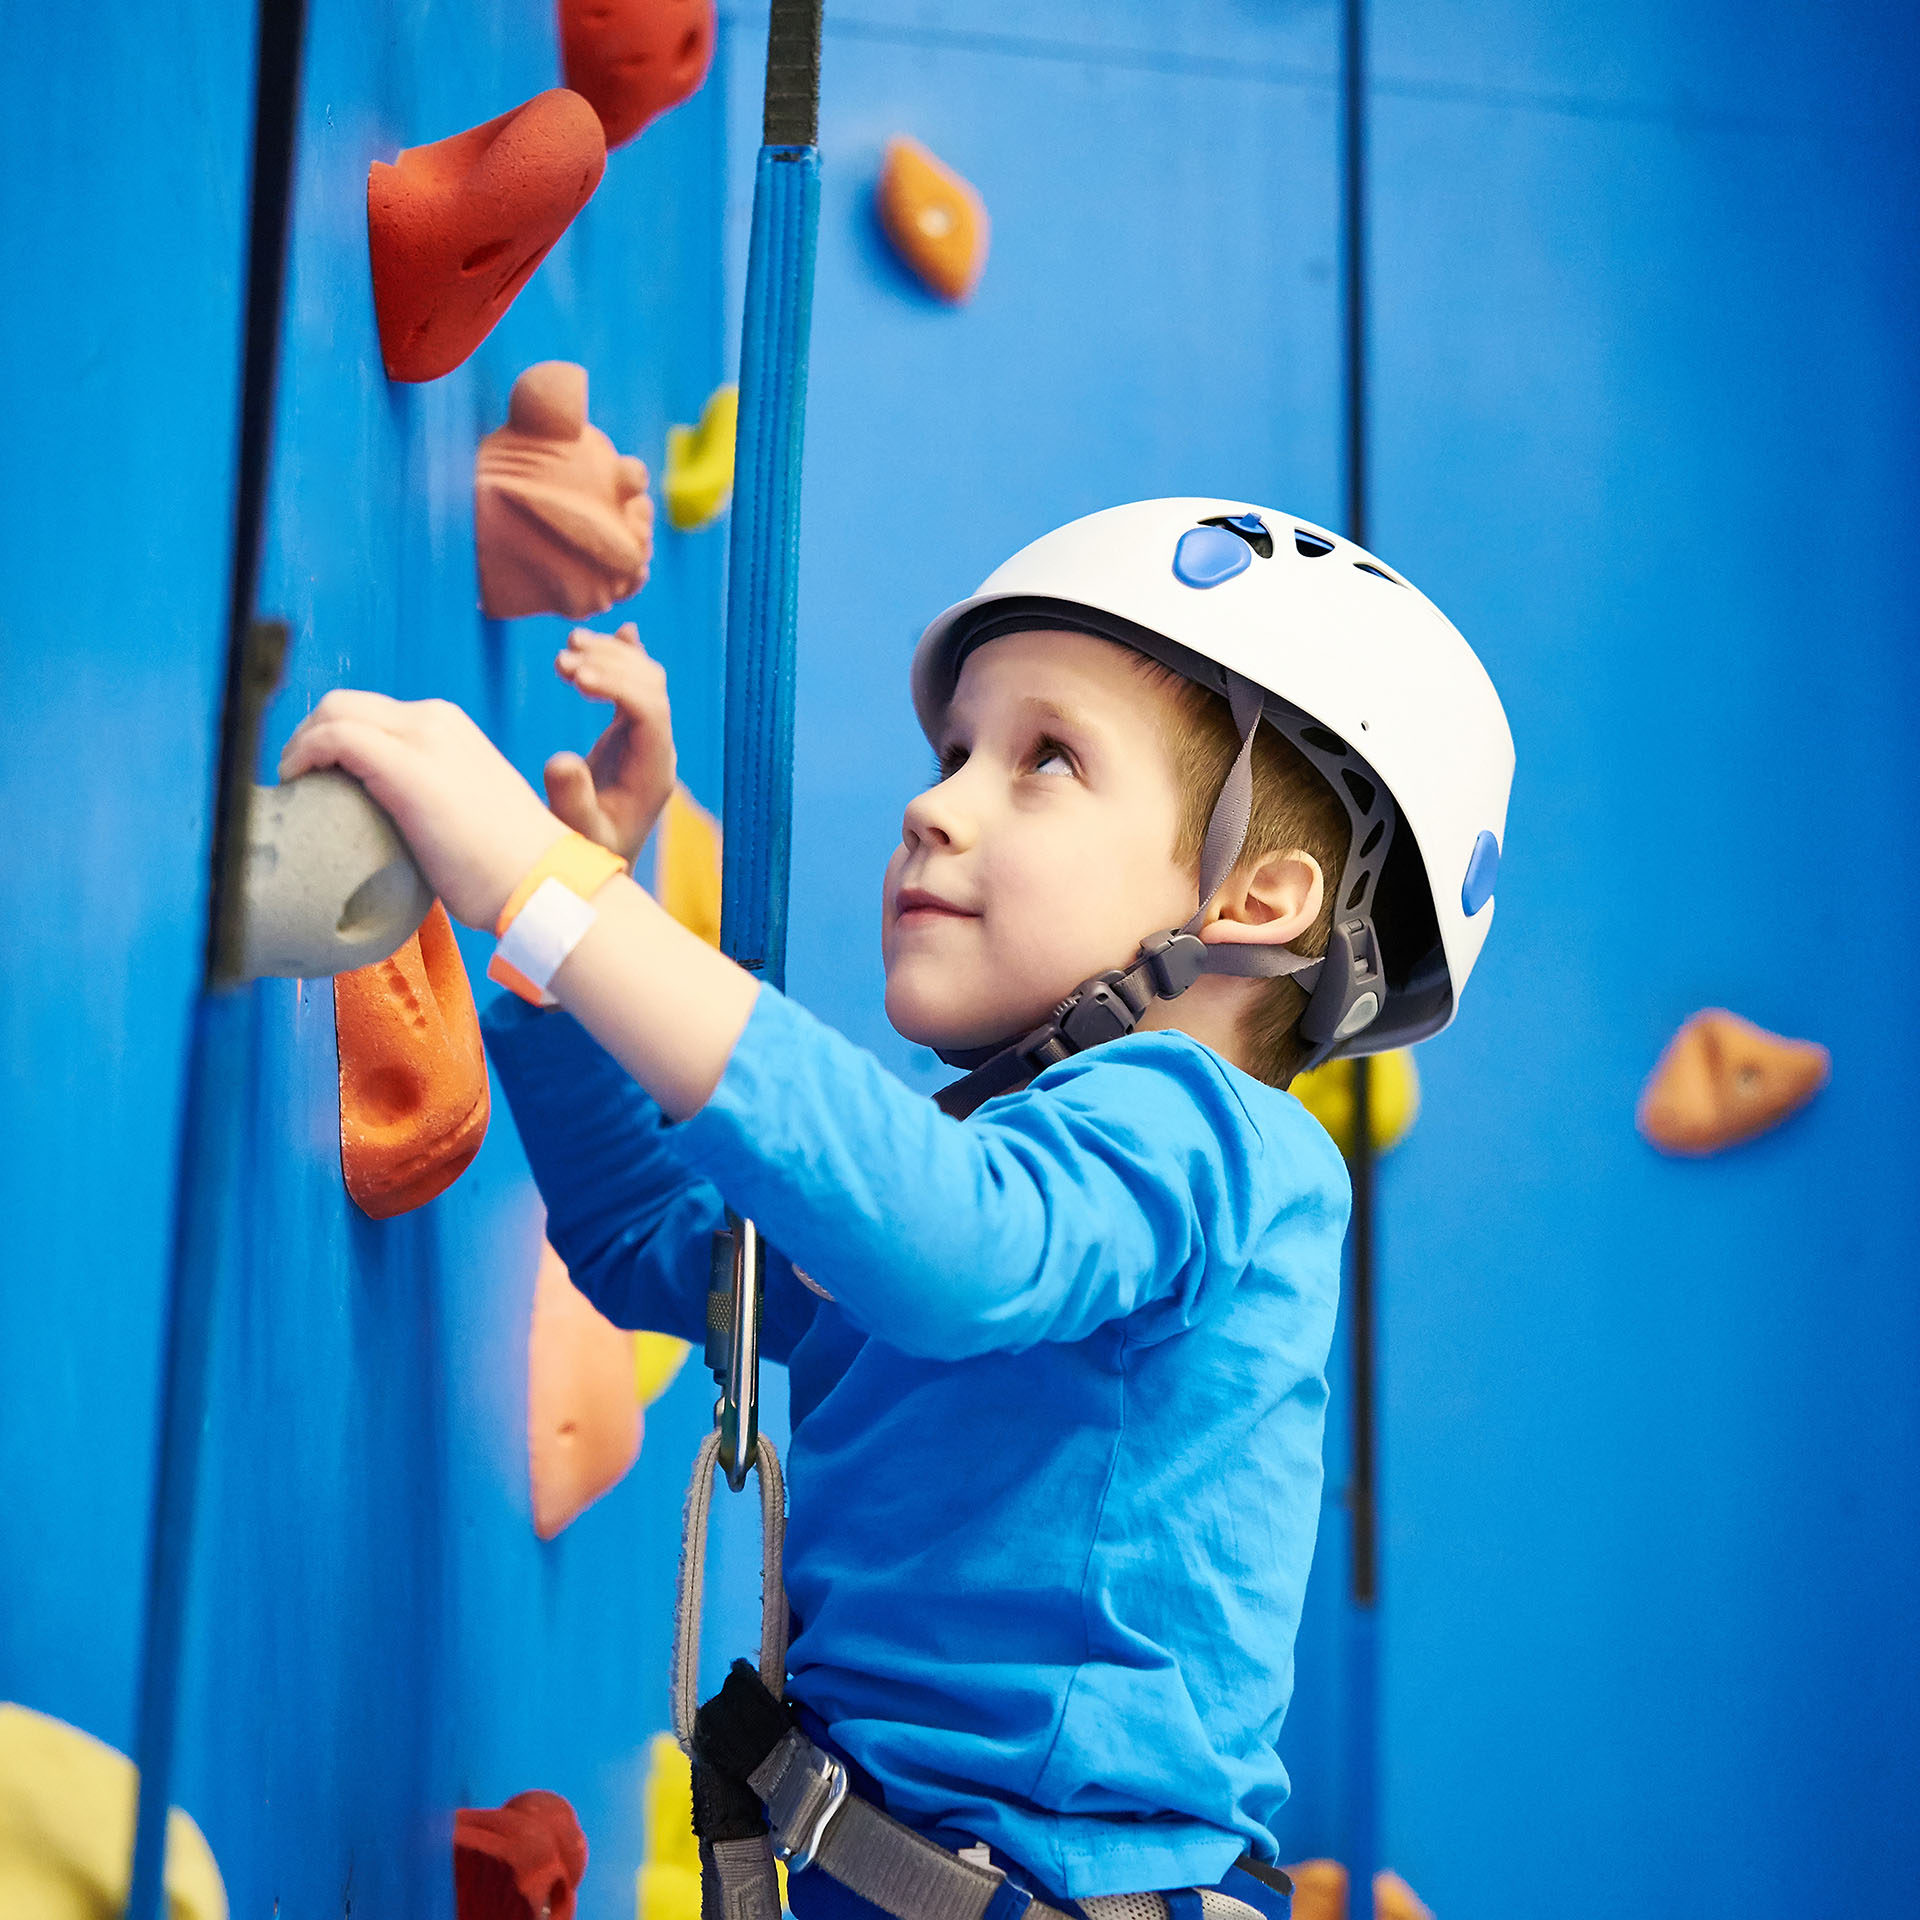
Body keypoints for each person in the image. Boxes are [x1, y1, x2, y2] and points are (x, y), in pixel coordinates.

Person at [279, 499, 1514, 1920]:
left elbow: (952, 1247)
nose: (939, 803)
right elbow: (656, 1248)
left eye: (1046, 757)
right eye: (954, 753)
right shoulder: (1003, 1181)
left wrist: (553, 892)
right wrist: (556, 960)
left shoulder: (1209, 1142)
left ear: (1258, 896)